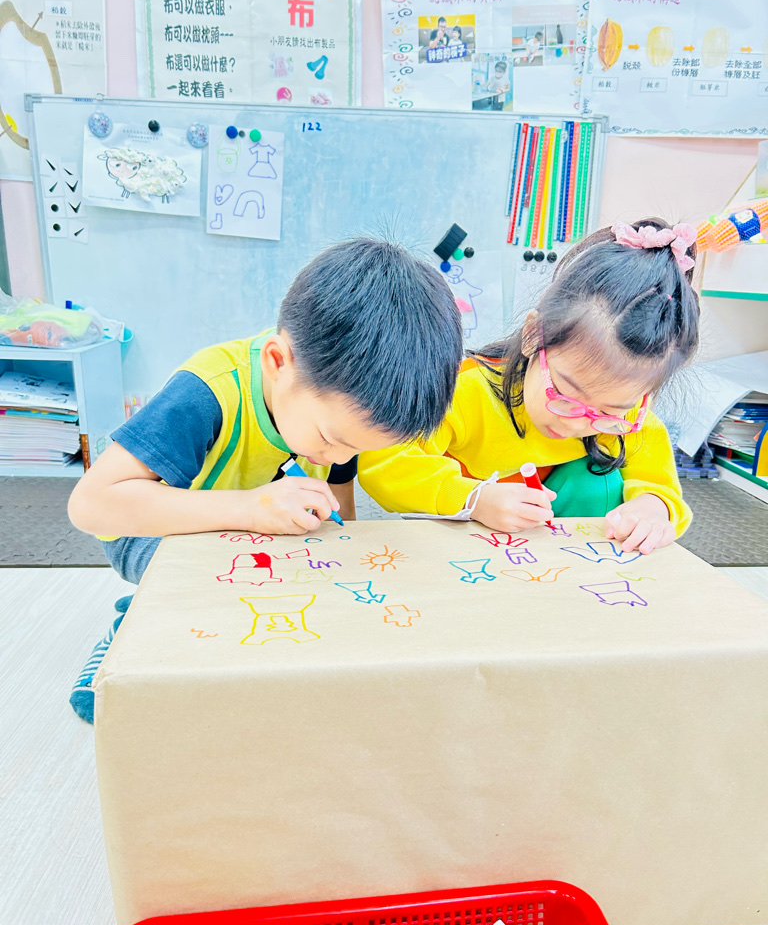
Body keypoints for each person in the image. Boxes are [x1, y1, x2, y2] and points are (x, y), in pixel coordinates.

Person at [67, 238, 463, 721]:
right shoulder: (208, 390)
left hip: (251, 527)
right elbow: (91, 505)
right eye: (331, 439)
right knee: (233, 594)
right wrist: (248, 508)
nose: (340, 457)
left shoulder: (336, 413)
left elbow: (339, 501)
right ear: (277, 362)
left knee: (299, 580)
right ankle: (132, 622)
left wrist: (345, 557)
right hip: (150, 527)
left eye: (358, 449)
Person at [359, 218, 699, 555]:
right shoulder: (467, 391)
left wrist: (654, 509)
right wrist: (473, 499)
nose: (576, 422)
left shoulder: (627, 418)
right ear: (533, 335)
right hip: (461, 542)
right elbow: (383, 463)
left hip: (552, 559)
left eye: (607, 413)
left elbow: (659, 486)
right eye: (564, 395)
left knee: (599, 480)